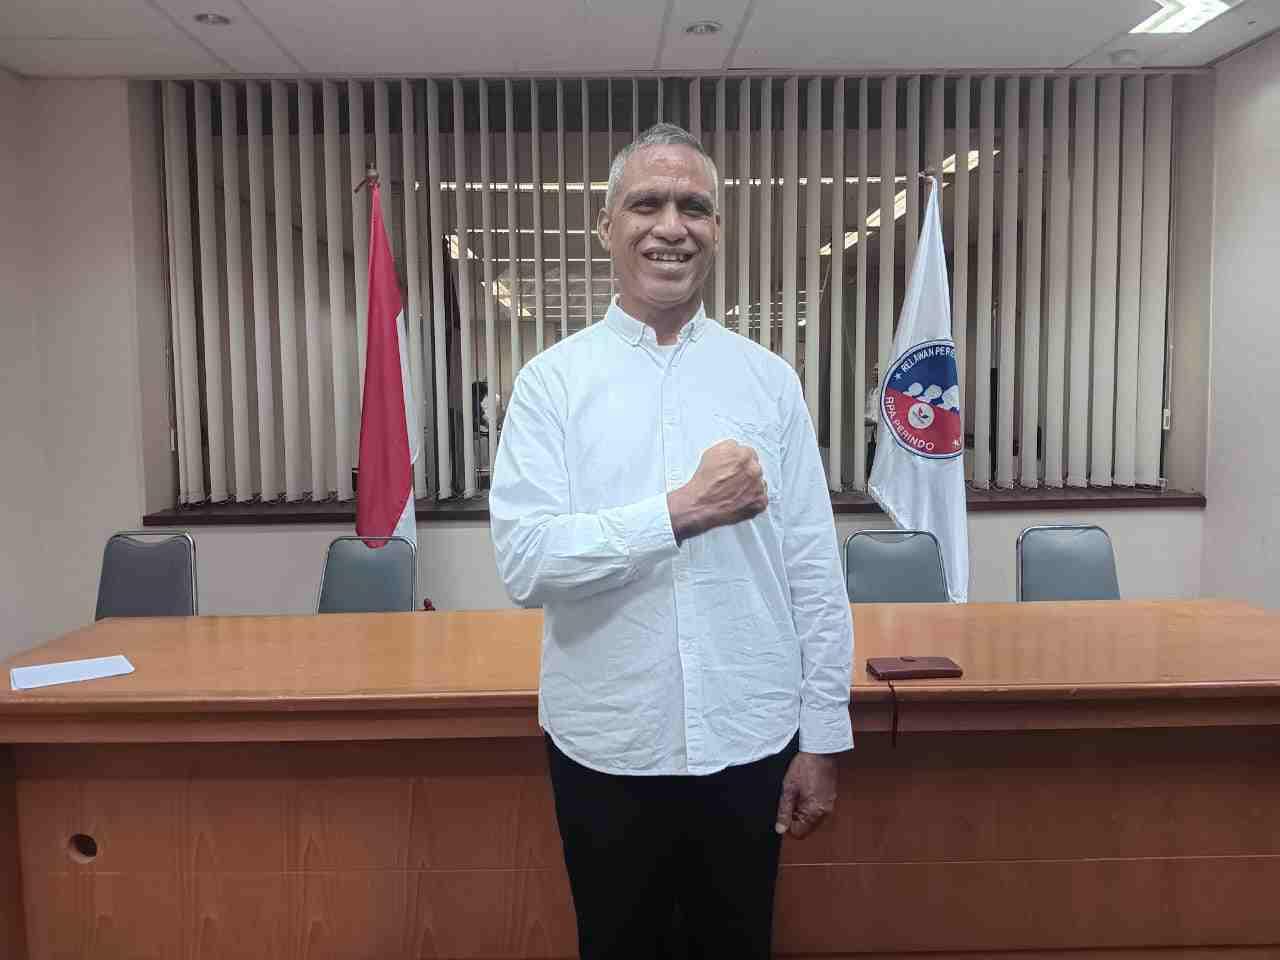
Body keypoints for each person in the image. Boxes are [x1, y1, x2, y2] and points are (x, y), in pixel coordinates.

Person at [489, 123, 853, 960]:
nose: (671, 226)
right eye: (646, 204)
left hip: (751, 738)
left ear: (716, 228)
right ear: (606, 227)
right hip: (608, 745)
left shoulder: (769, 381)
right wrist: (680, 511)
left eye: (694, 206)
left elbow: (811, 569)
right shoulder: (551, 385)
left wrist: (824, 737)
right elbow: (526, 561)